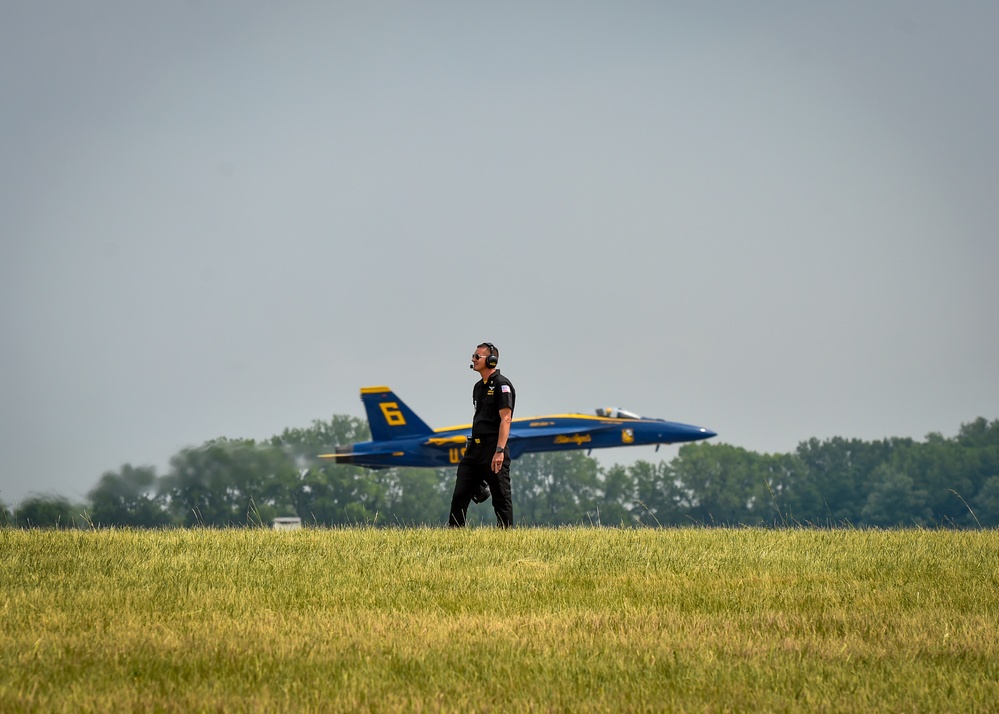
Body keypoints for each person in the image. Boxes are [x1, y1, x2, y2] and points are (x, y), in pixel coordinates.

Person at [448, 342, 516, 528]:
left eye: (478, 356)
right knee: (460, 496)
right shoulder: (478, 387)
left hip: (493, 448)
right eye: (473, 355)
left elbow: (506, 419)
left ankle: (506, 536)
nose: (473, 359)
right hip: (474, 449)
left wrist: (500, 450)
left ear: (491, 361)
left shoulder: (503, 386)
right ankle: (453, 536)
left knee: (501, 497)